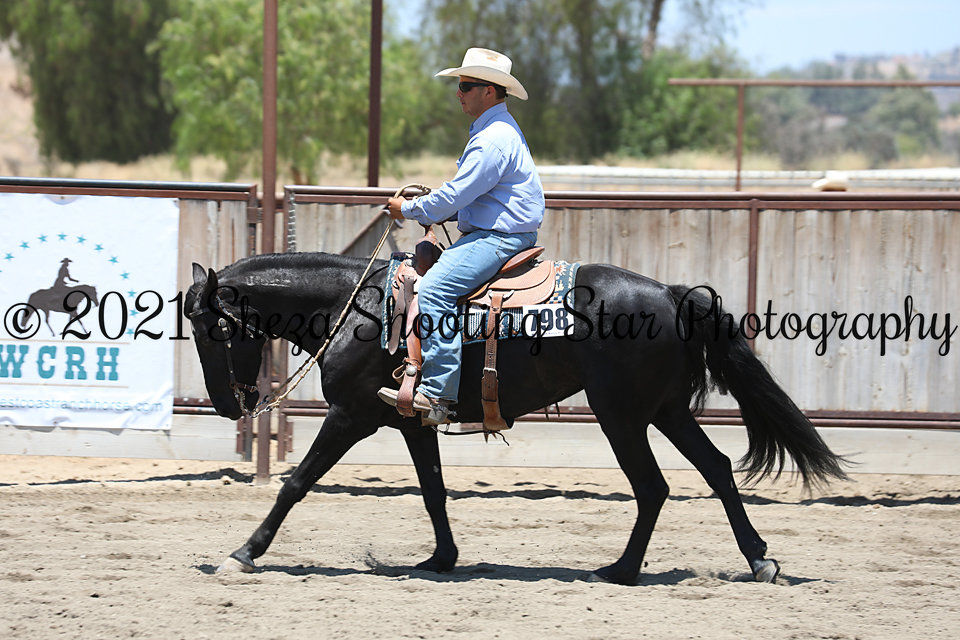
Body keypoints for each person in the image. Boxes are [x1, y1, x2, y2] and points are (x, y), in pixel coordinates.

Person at [378, 47, 545, 425]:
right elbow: (469, 198)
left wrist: (408, 209)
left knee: (434, 290)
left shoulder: (492, 139)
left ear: (490, 91)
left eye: (466, 86)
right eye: (460, 85)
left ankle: (438, 394)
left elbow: (455, 196)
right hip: (498, 232)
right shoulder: (496, 131)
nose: (459, 92)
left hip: (497, 238)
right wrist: (431, 208)